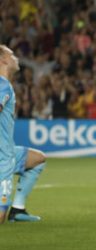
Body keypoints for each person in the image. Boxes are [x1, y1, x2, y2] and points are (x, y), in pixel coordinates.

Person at [0, 45, 47, 223]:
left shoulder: (5, 85)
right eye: (11, 55)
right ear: (3, 60)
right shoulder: (2, 85)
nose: (15, 58)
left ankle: (17, 210)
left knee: (38, 159)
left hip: (8, 153)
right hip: (2, 160)